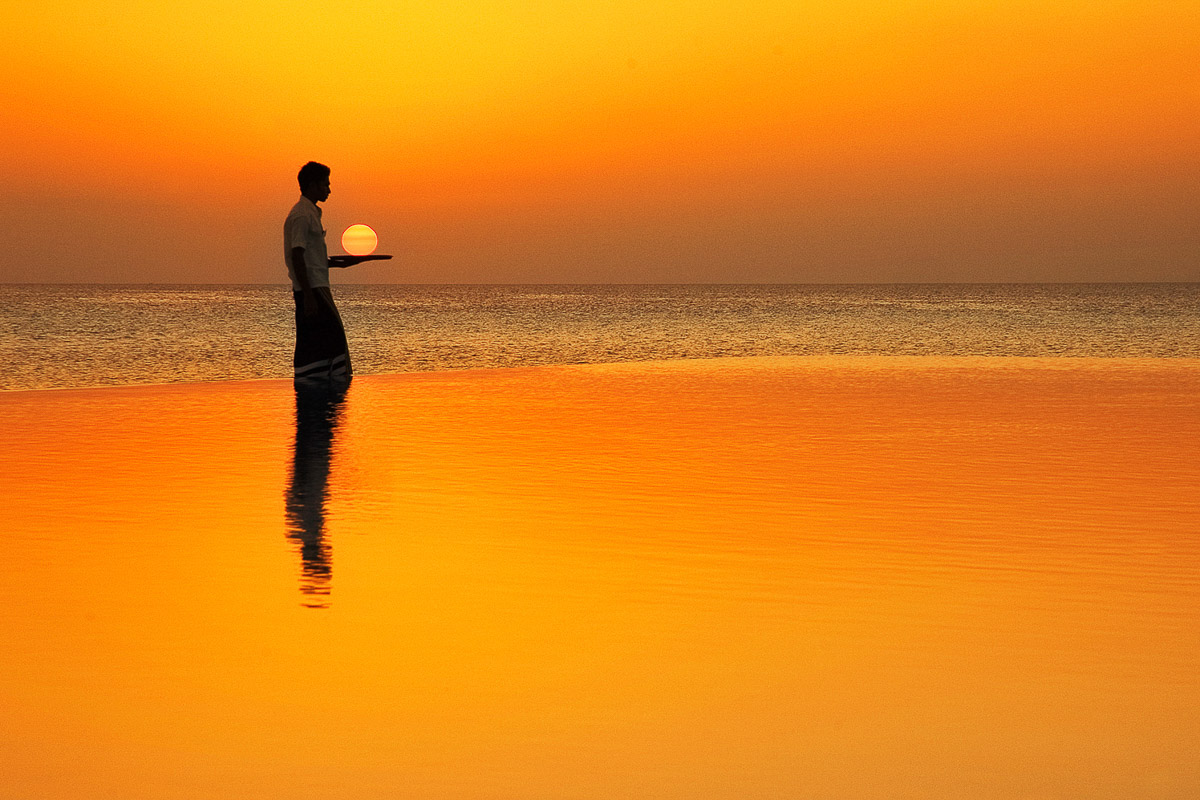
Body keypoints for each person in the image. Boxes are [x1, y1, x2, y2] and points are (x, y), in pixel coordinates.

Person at [284, 161, 369, 381]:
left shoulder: (310, 213)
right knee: (333, 342)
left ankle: (321, 398)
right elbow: (297, 255)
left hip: (316, 287)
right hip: (312, 289)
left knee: (320, 343)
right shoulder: (302, 215)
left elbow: (310, 259)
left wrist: (339, 263)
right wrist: (309, 297)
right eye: (325, 185)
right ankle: (322, 394)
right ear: (312, 185)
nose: (328, 190)